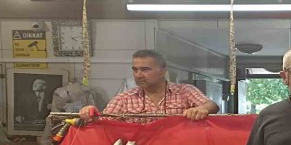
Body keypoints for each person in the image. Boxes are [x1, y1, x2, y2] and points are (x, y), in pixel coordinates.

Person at [78, 50, 219, 122]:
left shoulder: (185, 91)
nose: (138, 75)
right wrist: (90, 113)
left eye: (145, 69)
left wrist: (202, 109)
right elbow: (104, 123)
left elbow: (212, 105)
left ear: (162, 71)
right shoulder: (124, 99)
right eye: (135, 70)